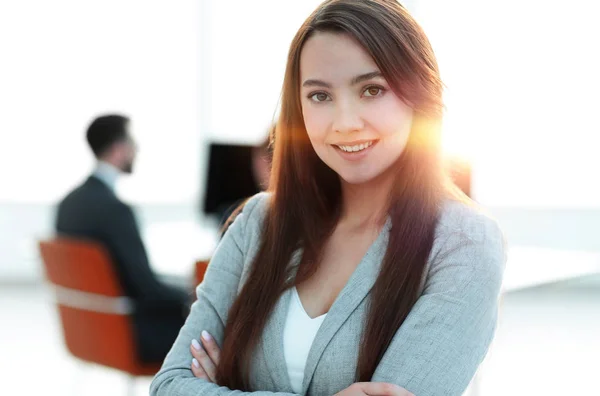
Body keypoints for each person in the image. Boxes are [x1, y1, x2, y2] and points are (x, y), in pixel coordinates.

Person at [151, 1, 506, 395]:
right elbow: (168, 386)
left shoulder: (465, 243)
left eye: (372, 90)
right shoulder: (259, 222)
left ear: (418, 95)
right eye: (320, 96)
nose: (345, 123)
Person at [55, 114, 190, 364]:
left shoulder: (67, 204)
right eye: (132, 142)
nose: (136, 150)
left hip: (90, 332)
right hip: (133, 335)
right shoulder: (115, 210)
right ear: (119, 148)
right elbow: (147, 288)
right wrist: (193, 294)